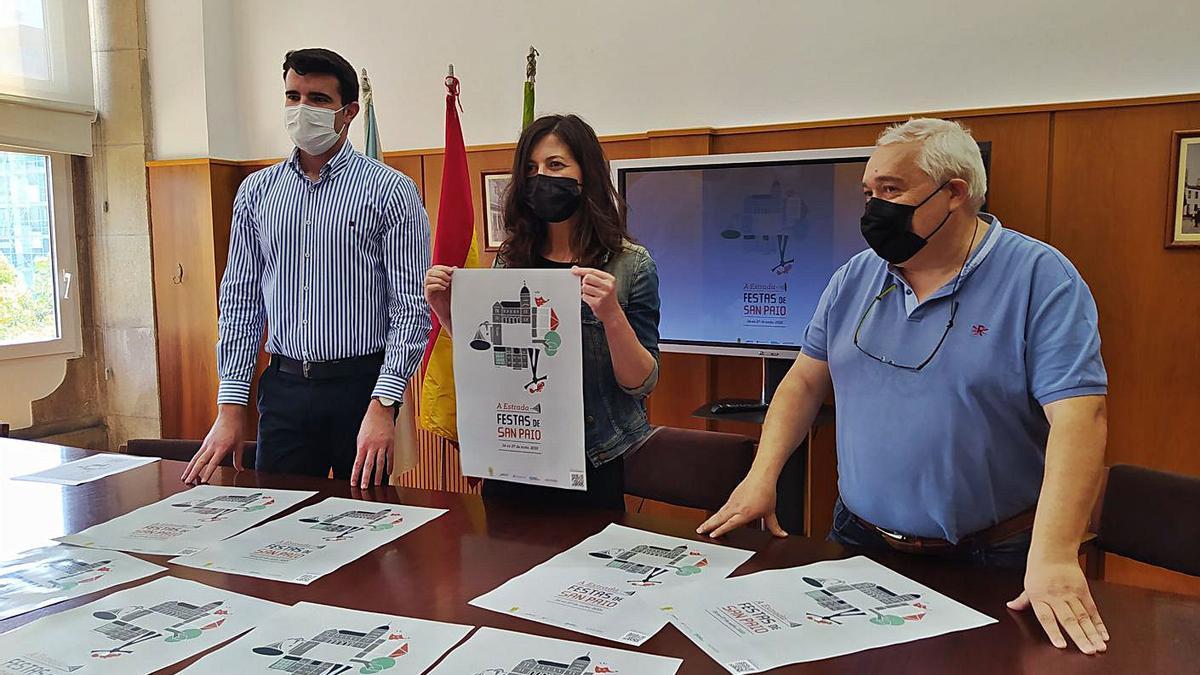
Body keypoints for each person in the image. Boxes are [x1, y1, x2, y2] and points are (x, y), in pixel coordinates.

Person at [697, 118, 1110, 655]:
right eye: (868, 192)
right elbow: (803, 380)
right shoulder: (854, 277)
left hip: (993, 554)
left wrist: (1054, 553)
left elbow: (1080, 418)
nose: (873, 207)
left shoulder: (1040, 278)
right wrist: (762, 476)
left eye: (891, 191)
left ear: (954, 194)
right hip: (858, 539)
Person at [182, 48, 431, 488]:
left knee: (364, 527)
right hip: (285, 388)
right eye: (292, 96)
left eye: (317, 99)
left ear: (348, 112)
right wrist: (231, 407)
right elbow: (241, 301)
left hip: (360, 388)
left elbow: (410, 308)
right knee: (275, 526)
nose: (302, 109)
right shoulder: (257, 192)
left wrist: (385, 403)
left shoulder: (390, 190)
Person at [424, 114, 660, 510]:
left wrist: (611, 314)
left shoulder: (630, 264)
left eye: (555, 165)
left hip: (590, 459)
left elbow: (641, 382)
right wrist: (449, 315)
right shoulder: (512, 260)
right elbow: (494, 359)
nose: (541, 178)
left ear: (587, 174)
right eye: (530, 169)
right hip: (513, 451)